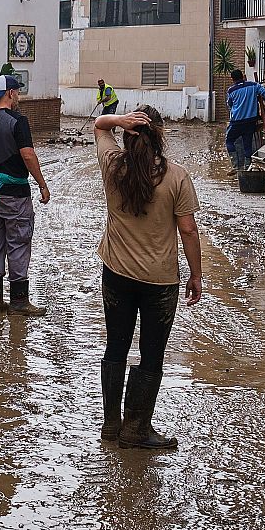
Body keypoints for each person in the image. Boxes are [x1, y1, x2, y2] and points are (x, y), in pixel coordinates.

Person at [93, 106, 201, 449]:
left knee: (116, 345)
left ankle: (111, 425)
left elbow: (98, 125)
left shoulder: (113, 167)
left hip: (117, 274)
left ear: (127, 134)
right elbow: (188, 230)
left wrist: (118, 120)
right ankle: (136, 429)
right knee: (151, 353)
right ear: (160, 135)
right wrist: (196, 275)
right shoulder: (176, 176)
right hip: (160, 281)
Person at [0, 73, 51, 316]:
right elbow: (28, 155)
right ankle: (19, 302)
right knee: (18, 242)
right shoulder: (18, 122)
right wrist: (42, 184)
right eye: (17, 91)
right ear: (9, 93)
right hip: (14, 194)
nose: (18, 96)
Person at [225, 68, 265, 173]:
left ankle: (236, 166)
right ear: (242, 76)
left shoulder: (231, 90)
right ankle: (247, 168)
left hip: (236, 121)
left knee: (229, 141)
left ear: (232, 79)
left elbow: (230, 104)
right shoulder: (254, 85)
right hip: (251, 121)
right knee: (247, 143)